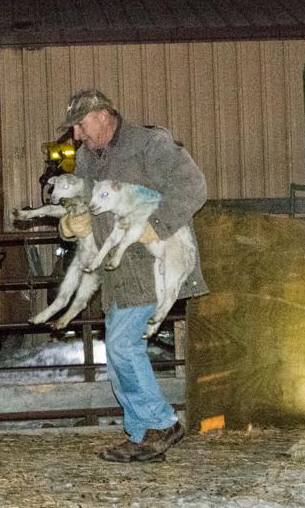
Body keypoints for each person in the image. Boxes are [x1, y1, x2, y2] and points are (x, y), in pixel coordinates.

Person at [60, 89, 207, 463]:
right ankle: (142, 433)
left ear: (103, 115)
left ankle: (161, 422)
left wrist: (156, 225)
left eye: (80, 125)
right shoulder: (86, 160)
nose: (76, 135)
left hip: (150, 266)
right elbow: (83, 206)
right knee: (117, 352)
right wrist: (70, 224)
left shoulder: (148, 144)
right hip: (117, 274)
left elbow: (193, 185)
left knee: (123, 346)